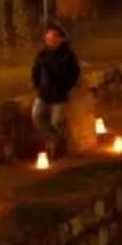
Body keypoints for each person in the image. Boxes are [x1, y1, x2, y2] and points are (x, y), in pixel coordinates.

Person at [30, 22, 82, 158]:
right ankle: (52, 140)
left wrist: (66, 86)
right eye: (49, 38)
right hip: (43, 94)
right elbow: (35, 71)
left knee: (56, 122)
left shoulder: (67, 56)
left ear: (60, 39)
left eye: (54, 37)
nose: (51, 40)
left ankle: (54, 147)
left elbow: (75, 74)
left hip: (60, 95)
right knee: (37, 117)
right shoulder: (42, 55)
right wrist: (37, 86)